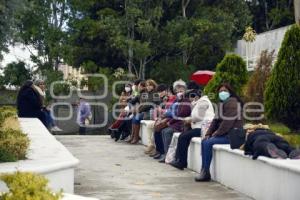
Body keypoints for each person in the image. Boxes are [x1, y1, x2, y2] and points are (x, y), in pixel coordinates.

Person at [195, 83, 244, 182]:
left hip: (232, 135)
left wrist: (215, 134)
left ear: (230, 92)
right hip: (225, 134)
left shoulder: (232, 103)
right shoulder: (222, 103)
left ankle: (205, 171)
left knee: (208, 142)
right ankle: (204, 170)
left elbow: (227, 122)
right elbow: (215, 120)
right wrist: (208, 133)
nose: (222, 93)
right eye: (220, 91)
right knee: (205, 140)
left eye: (225, 91)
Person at [170, 89, 215, 170]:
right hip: (199, 127)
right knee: (183, 136)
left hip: (203, 128)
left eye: (192, 96)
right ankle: (179, 160)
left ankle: (182, 162)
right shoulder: (198, 102)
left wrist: (189, 119)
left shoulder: (203, 102)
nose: (190, 99)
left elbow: (199, 116)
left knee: (183, 137)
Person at [154, 79, 192, 163]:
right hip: (174, 121)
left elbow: (181, 113)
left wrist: (169, 120)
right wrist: (167, 116)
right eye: (177, 89)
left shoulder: (186, 99)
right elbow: (171, 111)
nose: (179, 91)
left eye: (181, 89)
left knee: (167, 131)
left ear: (185, 90)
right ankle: (166, 154)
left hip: (181, 123)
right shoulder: (177, 100)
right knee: (163, 131)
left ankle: (169, 156)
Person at [130, 79, 160, 144]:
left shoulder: (155, 94)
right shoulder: (148, 93)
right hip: (146, 111)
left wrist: (139, 110)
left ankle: (136, 138)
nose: (148, 87)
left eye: (150, 85)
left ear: (153, 86)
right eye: (147, 85)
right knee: (134, 118)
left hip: (152, 112)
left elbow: (150, 105)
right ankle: (133, 136)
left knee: (136, 118)